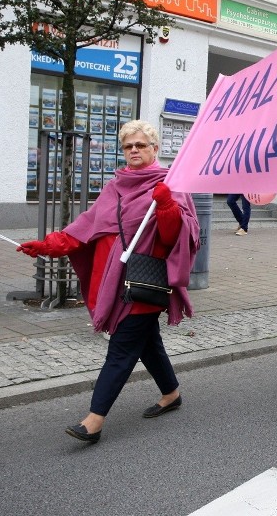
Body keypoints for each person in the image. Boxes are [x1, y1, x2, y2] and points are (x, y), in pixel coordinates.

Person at [17, 119, 199, 444]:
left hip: (143, 284)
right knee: (147, 343)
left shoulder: (170, 185)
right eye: (128, 146)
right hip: (114, 285)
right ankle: (171, 393)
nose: (134, 150)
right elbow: (87, 225)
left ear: (154, 149)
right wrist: (48, 245)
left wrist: (167, 204)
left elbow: (177, 238)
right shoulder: (115, 186)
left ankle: (94, 420)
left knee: (122, 350)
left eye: (140, 145)